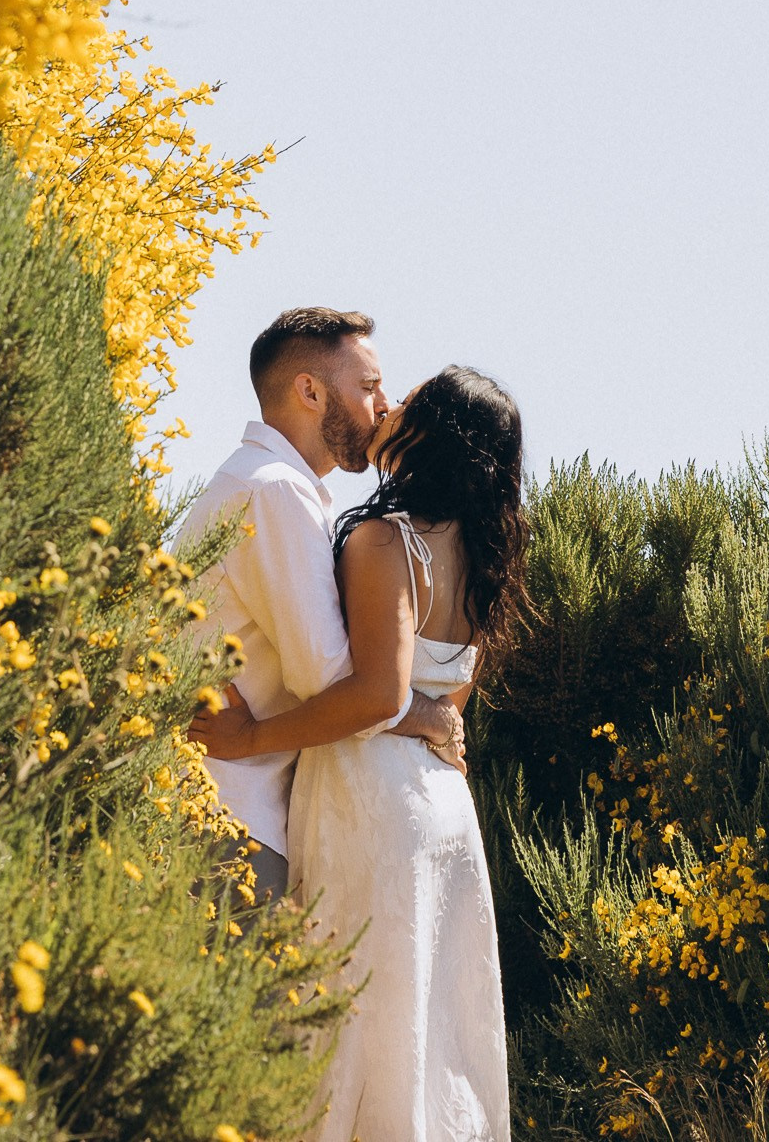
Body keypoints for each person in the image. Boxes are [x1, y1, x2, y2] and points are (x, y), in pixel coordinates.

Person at [192, 364, 527, 1142]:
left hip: (370, 795)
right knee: (425, 1016)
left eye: (404, 401)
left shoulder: (384, 538)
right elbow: (443, 711)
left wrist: (250, 738)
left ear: (431, 434)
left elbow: (376, 696)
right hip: (444, 804)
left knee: (351, 1008)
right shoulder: (483, 559)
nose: (387, 406)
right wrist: (427, 722)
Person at [175, 307, 468, 908]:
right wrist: (431, 718)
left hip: (226, 811)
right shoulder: (276, 489)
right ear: (310, 391)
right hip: (229, 814)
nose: (383, 405)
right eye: (367, 387)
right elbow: (326, 675)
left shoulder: (264, 483)